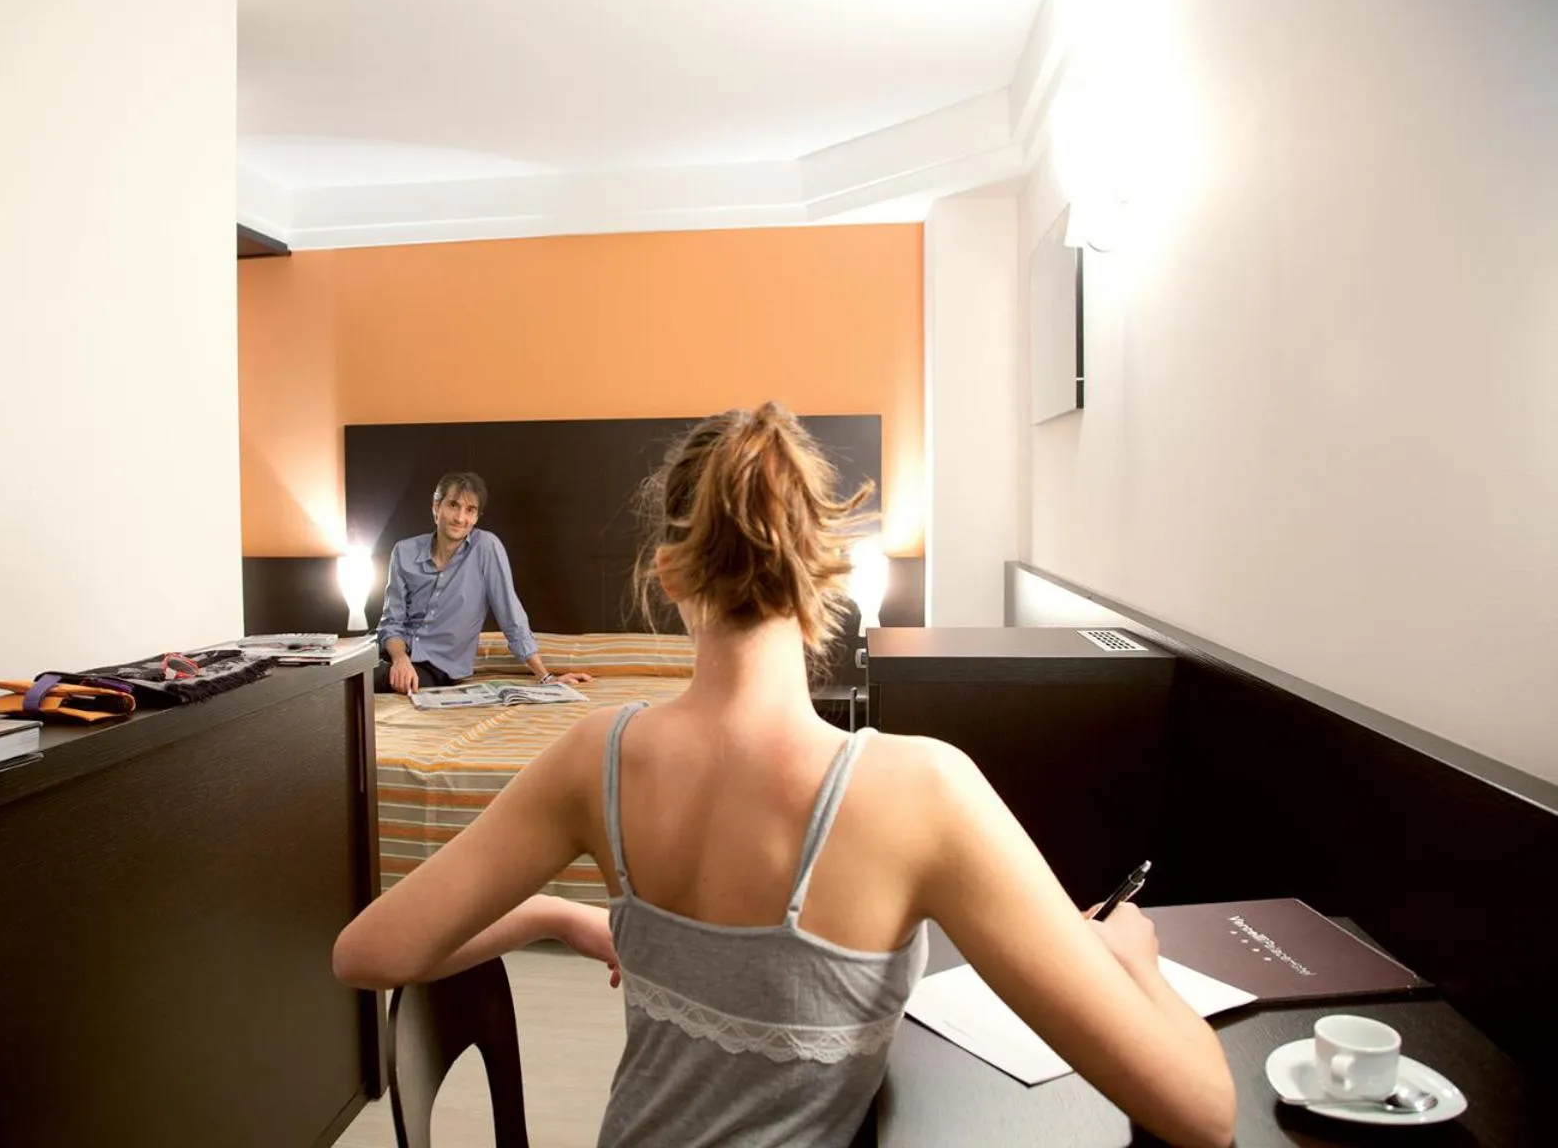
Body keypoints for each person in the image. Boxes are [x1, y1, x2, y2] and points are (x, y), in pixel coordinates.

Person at [333, 406, 1236, 1148]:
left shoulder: (595, 756)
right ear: (824, 573)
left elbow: (365, 954)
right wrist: (1132, 962)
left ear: (669, 573)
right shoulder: (925, 791)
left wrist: (552, 914)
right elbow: (1202, 1113)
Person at [374, 471, 592, 696]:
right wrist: (400, 659)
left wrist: (546, 677)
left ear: (477, 517)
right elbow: (392, 622)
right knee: (350, 669)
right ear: (436, 507)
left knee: (365, 683)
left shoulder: (486, 548)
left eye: (470, 510)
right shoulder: (404, 551)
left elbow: (511, 615)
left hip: (437, 666)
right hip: (391, 652)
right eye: (453, 505)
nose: (460, 518)